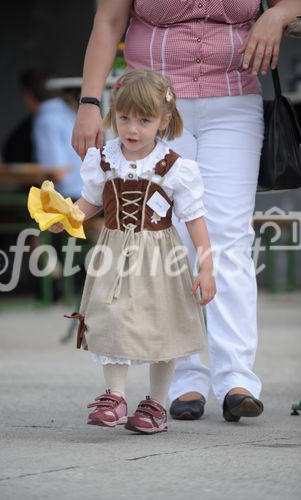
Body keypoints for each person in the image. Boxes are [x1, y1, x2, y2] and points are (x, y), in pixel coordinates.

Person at [71, 0, 301, 423]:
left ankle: (237, 377)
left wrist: (277, 15)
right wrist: (89, 101)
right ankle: (184, 380)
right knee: (167, 237)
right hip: (151, 111)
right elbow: (108, 21)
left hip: (234, 102)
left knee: (229, 234)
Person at [49, 69, 216, 434]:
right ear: (113, 115)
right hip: (114, 250)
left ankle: (156, 403)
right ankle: (116, 395)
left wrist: (205, 267)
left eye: (144, 120)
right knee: (110, 315)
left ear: (164, 120)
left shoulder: (174, 167)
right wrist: (68, 216)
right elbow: (91, 201)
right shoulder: (106, 159)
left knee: (163, 324)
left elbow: (194, 219)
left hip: (160, 254)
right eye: (124, 118)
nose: (132, 129)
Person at [20, 68, 83, 200]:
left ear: (29, 96)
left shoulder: (45, 119)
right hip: (87, 192)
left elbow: (55, 172)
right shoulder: (69, 111)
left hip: (68, 197)